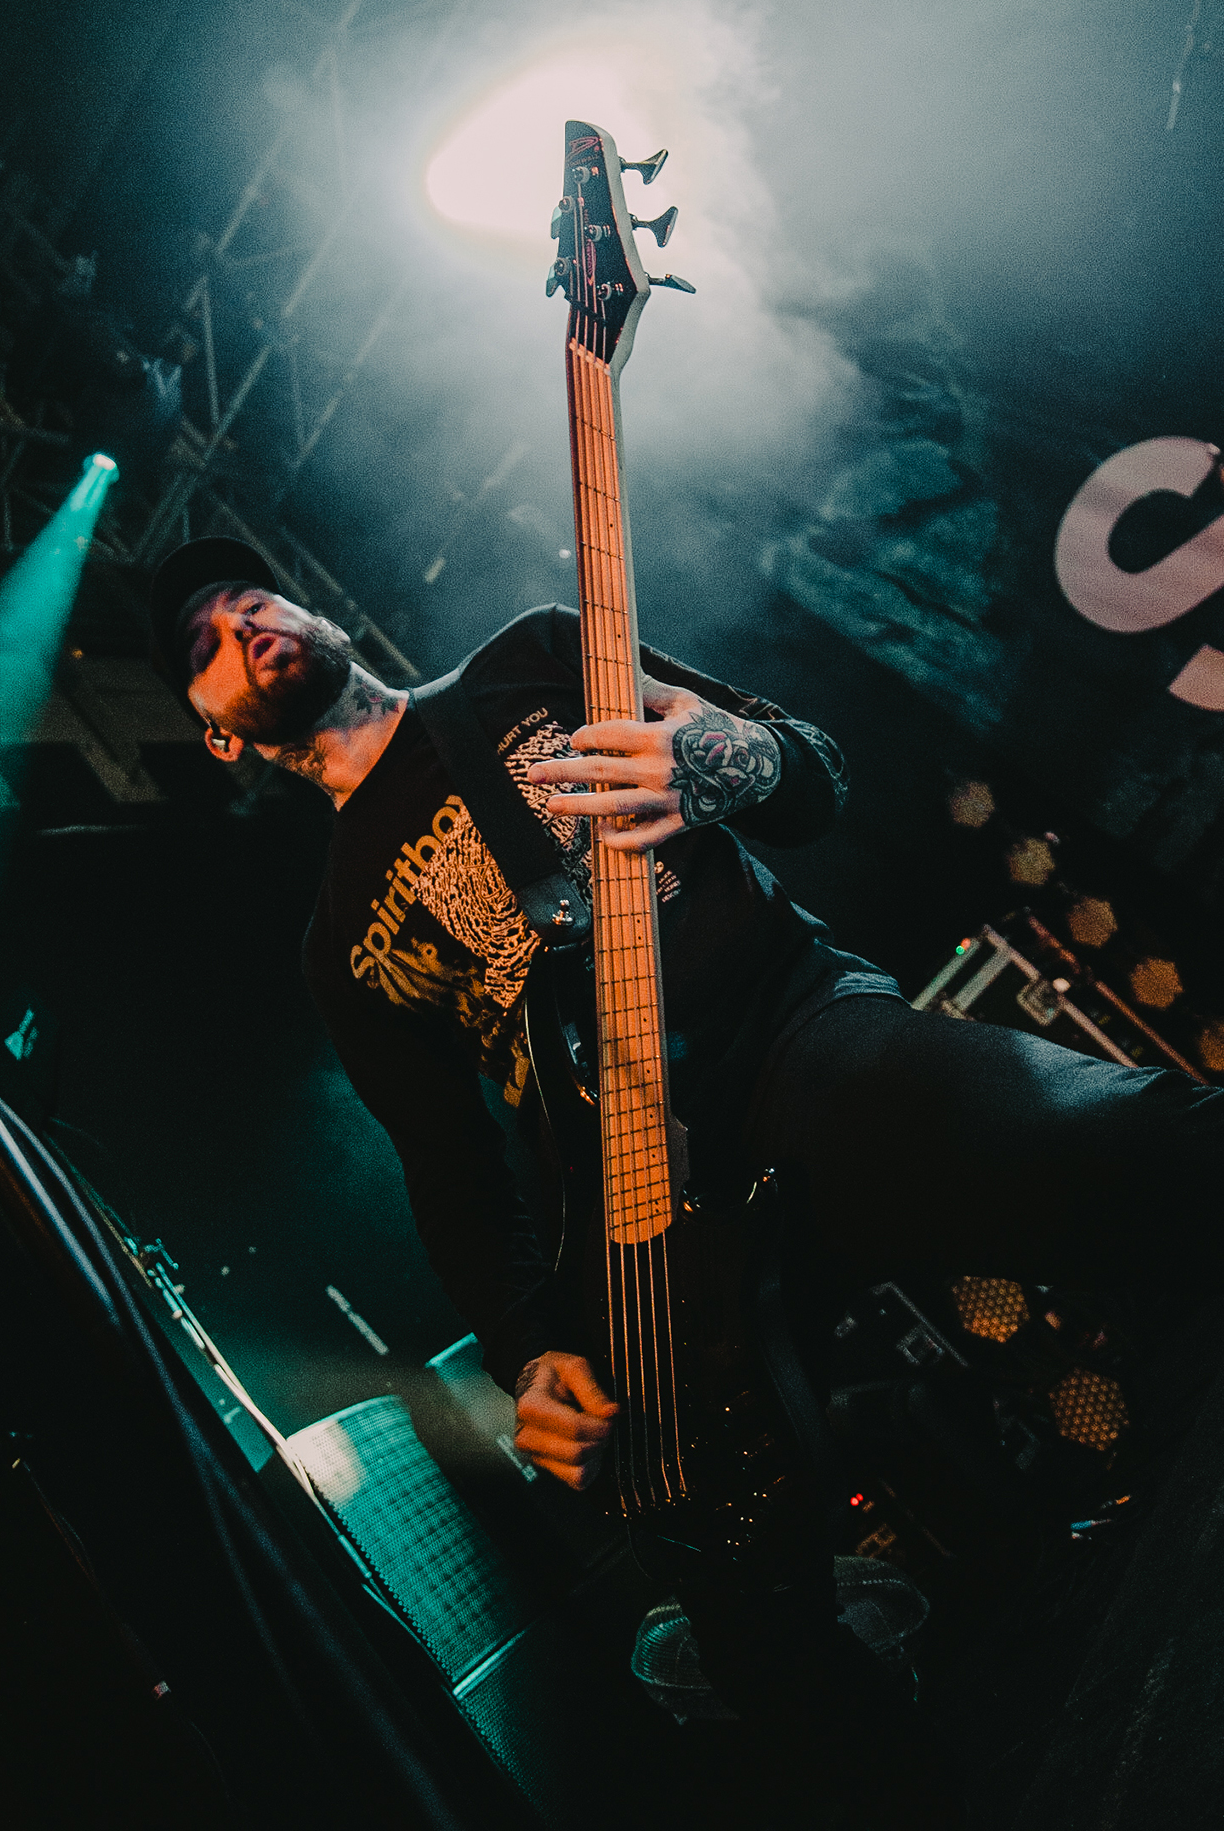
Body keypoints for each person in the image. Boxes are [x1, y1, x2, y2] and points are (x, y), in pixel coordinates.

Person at [149, 537, 1224, 1825]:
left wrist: (729, 757)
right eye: (207, 641)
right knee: (753, 1634)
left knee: (1143, 1147)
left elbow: (814, 776)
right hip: (635, 1215)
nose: (246, 623)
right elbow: (448, 1169)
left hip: (789, 1040)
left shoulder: (535, 657)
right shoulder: (339, 946)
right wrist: (529, 1354)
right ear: (218, 735)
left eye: (252, 598)